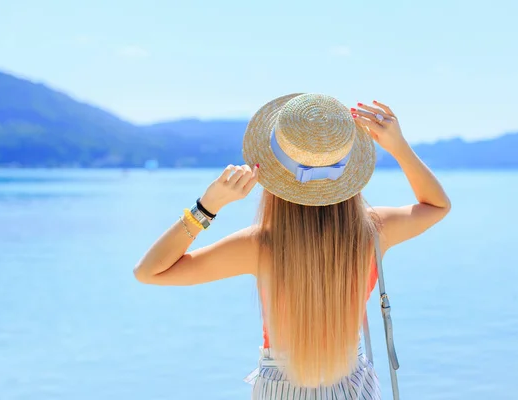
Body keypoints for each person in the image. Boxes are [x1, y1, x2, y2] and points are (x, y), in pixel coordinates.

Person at [133, 93, 451, 399]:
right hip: (352, 387)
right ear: (351, 171)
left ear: (273, 174)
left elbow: (149, 272)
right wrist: (398, 148)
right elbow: (437, 206)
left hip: (280, 390)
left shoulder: (260, 245)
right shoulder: (373, 231)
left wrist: (208, 206)